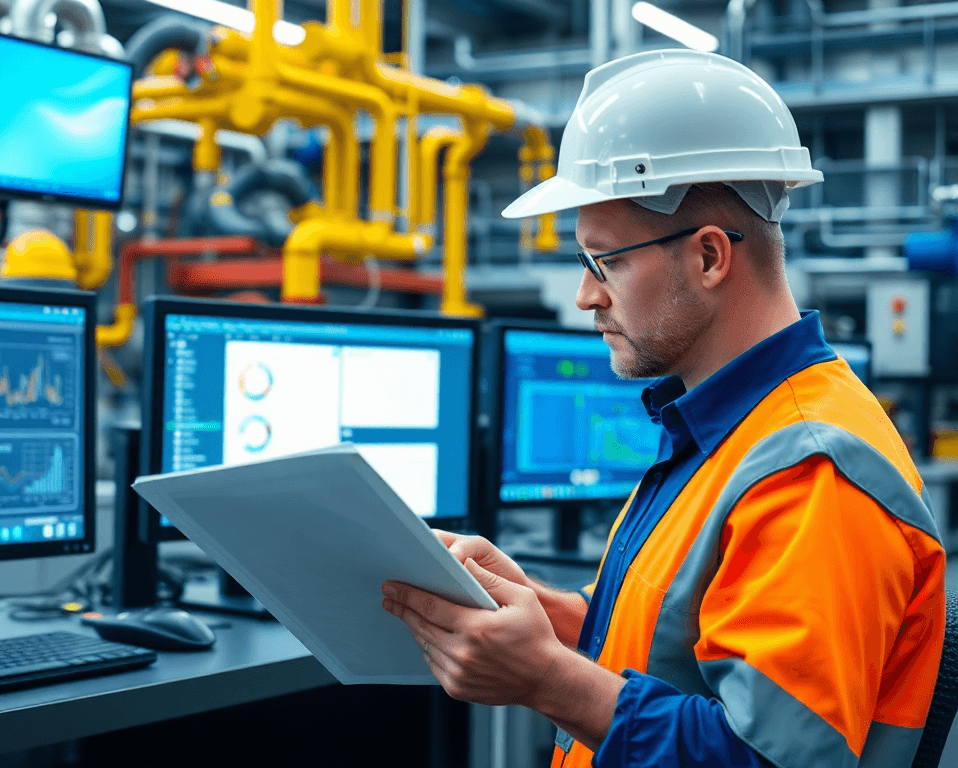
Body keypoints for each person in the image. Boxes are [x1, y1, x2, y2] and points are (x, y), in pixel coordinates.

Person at [381, 49, 947, 767]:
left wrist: (546, 679)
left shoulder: (811, 471)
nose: (586, 296)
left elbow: (768, 759)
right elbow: (679, 649)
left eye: (605, 262)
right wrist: (550, 616)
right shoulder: (728, 430)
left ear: (710, 257)